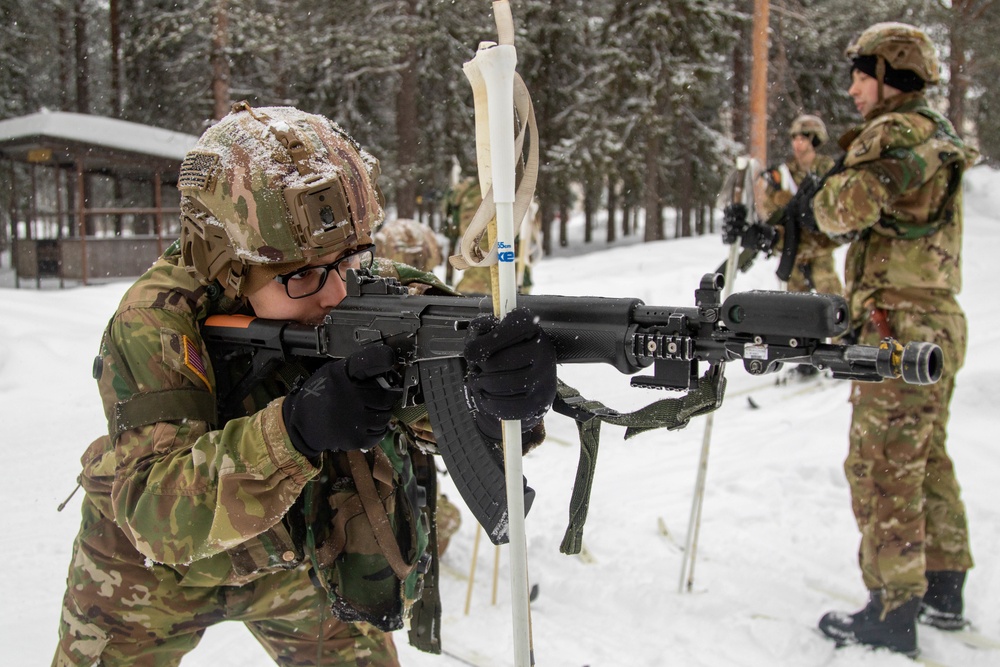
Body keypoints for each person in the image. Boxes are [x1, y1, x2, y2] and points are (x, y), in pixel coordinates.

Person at [51, 103, 557, 666]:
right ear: (229, 268)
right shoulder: (156, 321)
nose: (337, 292)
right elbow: (155, 514)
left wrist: (492, 403)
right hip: (146, 578)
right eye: (303, 275)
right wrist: (295, 430)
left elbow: (439, 399)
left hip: (297, 556)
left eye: (350, 259)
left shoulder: (365, 289)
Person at [808, 23, 978, 657]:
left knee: (882, 465)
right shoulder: (939, 132)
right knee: (924, 456)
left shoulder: (895, 131)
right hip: (937, 319)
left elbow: (839, 212)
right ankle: (943, 584)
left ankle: (893, 607)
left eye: (860, 74)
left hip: (897, 328)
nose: (852, 88)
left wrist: (815, 198)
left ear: (888, 72)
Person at [756, 114, 843, 297]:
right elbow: (768, 209)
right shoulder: (783, 172)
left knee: (832, 302)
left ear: (815, 140)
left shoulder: (827, 169)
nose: (797, 143)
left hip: (820, 247)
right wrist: (778, 201)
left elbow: (836, 203)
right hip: (792, 248)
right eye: (794, 138)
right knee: (794, 308)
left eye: (802, 138)